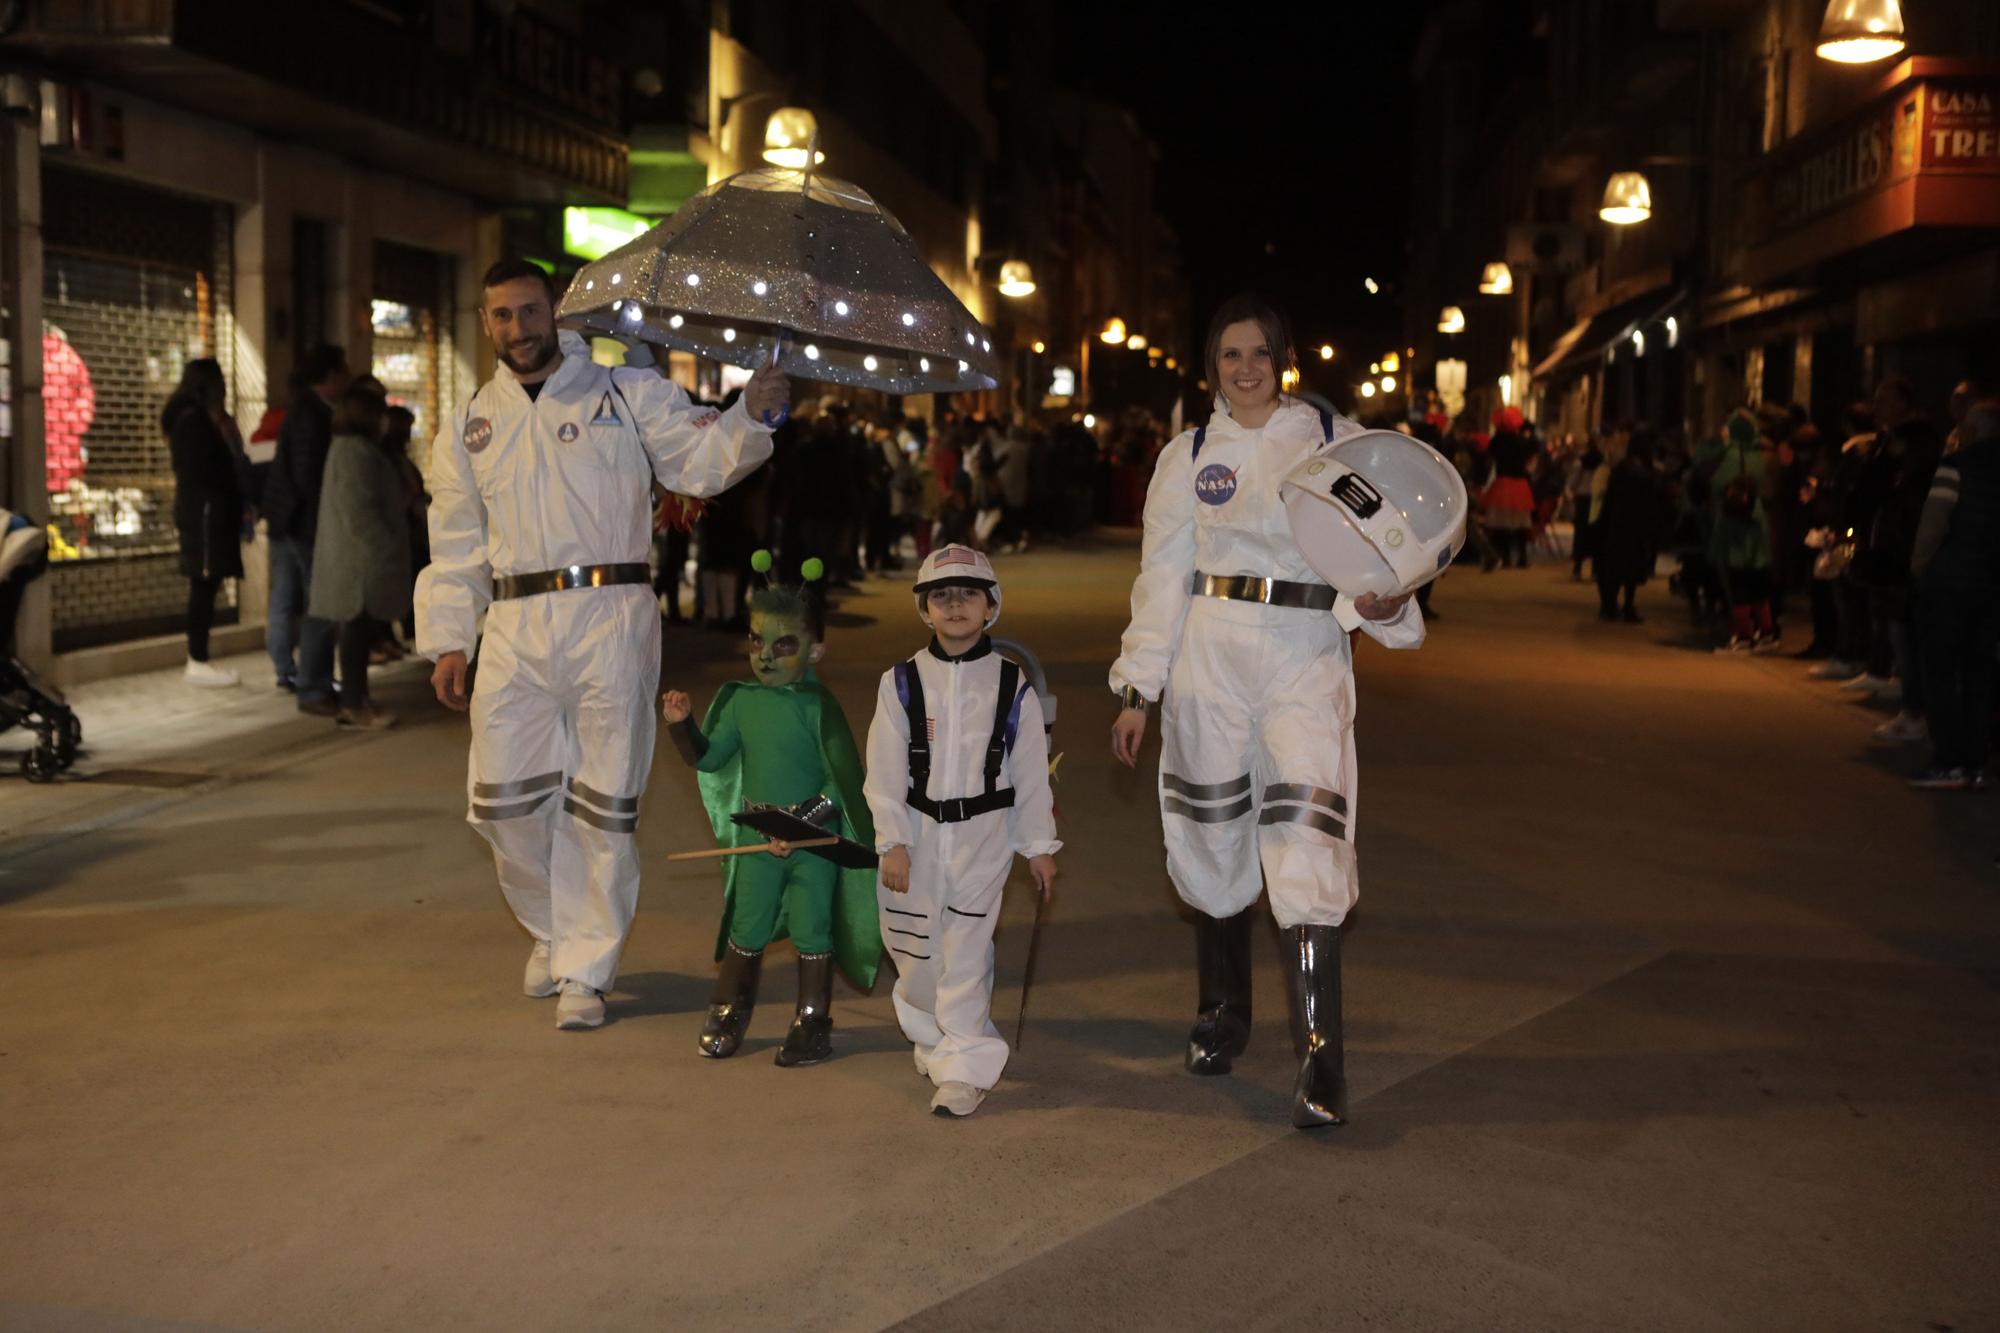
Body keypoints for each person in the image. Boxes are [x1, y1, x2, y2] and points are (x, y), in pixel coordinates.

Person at [416, 257, 788, 1030]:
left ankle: (585, 966)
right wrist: (451, 637)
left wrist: (753, 414)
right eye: (502, 316)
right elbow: (455, 542)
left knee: (601, 803)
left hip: (611, 613)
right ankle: (552, 928)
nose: (518, 329)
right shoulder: (468, 424)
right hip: (514, 624)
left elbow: (700, 461)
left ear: (558, 309)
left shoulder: (627, 390)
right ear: (485, 324)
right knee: (503, 801)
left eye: (530, 310)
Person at [1108, 293, 1424, 1129]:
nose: (1244, 368)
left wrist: (1387, 612)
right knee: (1212, 830)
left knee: (1307, 832)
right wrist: (1141, 686)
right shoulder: (1188, 453)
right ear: (1211, 366)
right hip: (1209, 651)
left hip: (1304, 652)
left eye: (1257, 353)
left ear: (1283, 357)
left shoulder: (1333, 441)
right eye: (1229, 355)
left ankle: (1323, 1058)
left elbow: (1379, 552)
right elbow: (1162, 573)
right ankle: (1224, 1010)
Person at [863, 545, 1059, 1118]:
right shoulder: (899, 683)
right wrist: (891, 840)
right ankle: (932, 1036)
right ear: (924, 610)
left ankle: (964, 1066)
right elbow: (883, 769)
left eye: (968, 595)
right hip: (917, 839)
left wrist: (1039, 846)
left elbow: (1029, 774)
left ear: (990, 607)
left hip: (985, 839)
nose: (954, 606)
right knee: (917, 955)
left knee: (968, 953)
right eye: (941, 597)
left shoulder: (1010, 684)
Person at [662, 555, 880, 1065]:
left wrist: (800, 826)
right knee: (749, 925)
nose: (764, 655)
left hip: (813, 842)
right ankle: (728, 1009)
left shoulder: (819, 708)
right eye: (756, 640)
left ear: (816, 649)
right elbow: (710, 760)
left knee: (812, 928)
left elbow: (842, 784)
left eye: (784, 645)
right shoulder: (740, 701)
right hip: (759, 837)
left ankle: (812, 1019)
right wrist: (682, 725)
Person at [308, 378, 409, 731]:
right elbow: (359, 512)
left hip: (357, 561)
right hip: (357, 564)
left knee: (358, 631)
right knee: (354, 631)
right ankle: (353, 703)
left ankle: (358, 699)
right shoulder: (354, 452)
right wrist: (385, 545)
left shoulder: (355, 449)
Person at [1909, 399, 2000, 790]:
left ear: (1975, 428)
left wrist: (1920, 567)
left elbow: (1933, 525)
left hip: (1951, 583)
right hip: (1992, 586)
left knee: (1942, 671)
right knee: (1981, 674)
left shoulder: (1957, 465)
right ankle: (1976, 760)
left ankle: (1948, 759)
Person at [262, 344, 352, 709]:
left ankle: (291, 671)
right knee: (321, 603)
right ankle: (313, 685)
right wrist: (323, 526)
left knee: (286, 599)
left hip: (287, 519)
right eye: (342, 371)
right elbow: (308, 476)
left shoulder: (303, 410)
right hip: (303, 523)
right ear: (330, 376)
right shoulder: (313, 415)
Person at [164, 358, 245, 688]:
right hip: (205, 515)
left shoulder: (198, 420)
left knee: (205, 586)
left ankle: (199, 658)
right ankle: (197, 660)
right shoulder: (194, 422)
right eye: (219, 381)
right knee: (203, 585)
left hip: (205, 513)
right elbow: (206, 469)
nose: (224, 387)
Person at [1705, 409, 1780, 654]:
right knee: (1757, 583)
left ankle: (1744, 636)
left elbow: (1716, 484)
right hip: (1756, 524)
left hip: (1734, 527)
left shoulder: (1730, 456)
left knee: (1738, 583)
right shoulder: (1759, 456)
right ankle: (1767, 633)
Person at [1594, 428, 1665, 623]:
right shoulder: (1647, 474)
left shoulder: (1620, 470)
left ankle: (1610, 606)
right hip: (1637, 526)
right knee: (1632, 570)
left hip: (1618, 524)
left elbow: (1610, 498)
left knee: (1615, 567)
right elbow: (1652, 502)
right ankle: (1627, 606)